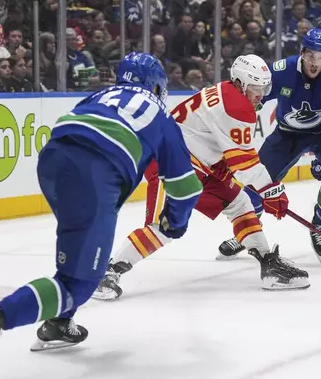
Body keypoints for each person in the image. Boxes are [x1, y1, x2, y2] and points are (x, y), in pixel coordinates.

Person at [0, 53, 202, 379]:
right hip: (95, 173)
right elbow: (185, 187)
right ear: (157, 84)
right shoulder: (161, 115)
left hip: (53, 161)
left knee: (81, 254)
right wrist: (174, 223)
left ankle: (59, 323)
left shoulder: (99, 95)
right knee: (80, 282)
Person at [92, 54, 309, 301]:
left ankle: (268, 264)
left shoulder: (232, 95)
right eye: (256, 88)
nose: (261, 95)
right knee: (164, 226)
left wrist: (236, 173)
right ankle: (108, 272)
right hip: (170, 161)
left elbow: (219, 144)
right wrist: (272, 190)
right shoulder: (235, 106)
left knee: (241, 203)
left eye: (264, 88)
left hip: (199, 164)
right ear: (239, 83)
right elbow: (246, 165)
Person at [218, 28, 321, 265]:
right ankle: (246, 232)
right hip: (288, 134)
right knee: (256, 179)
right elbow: (253, 95)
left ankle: (319, 226)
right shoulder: (282, 71)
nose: (315, 63)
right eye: (311, 56)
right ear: (302, 53)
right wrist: (248, 106)